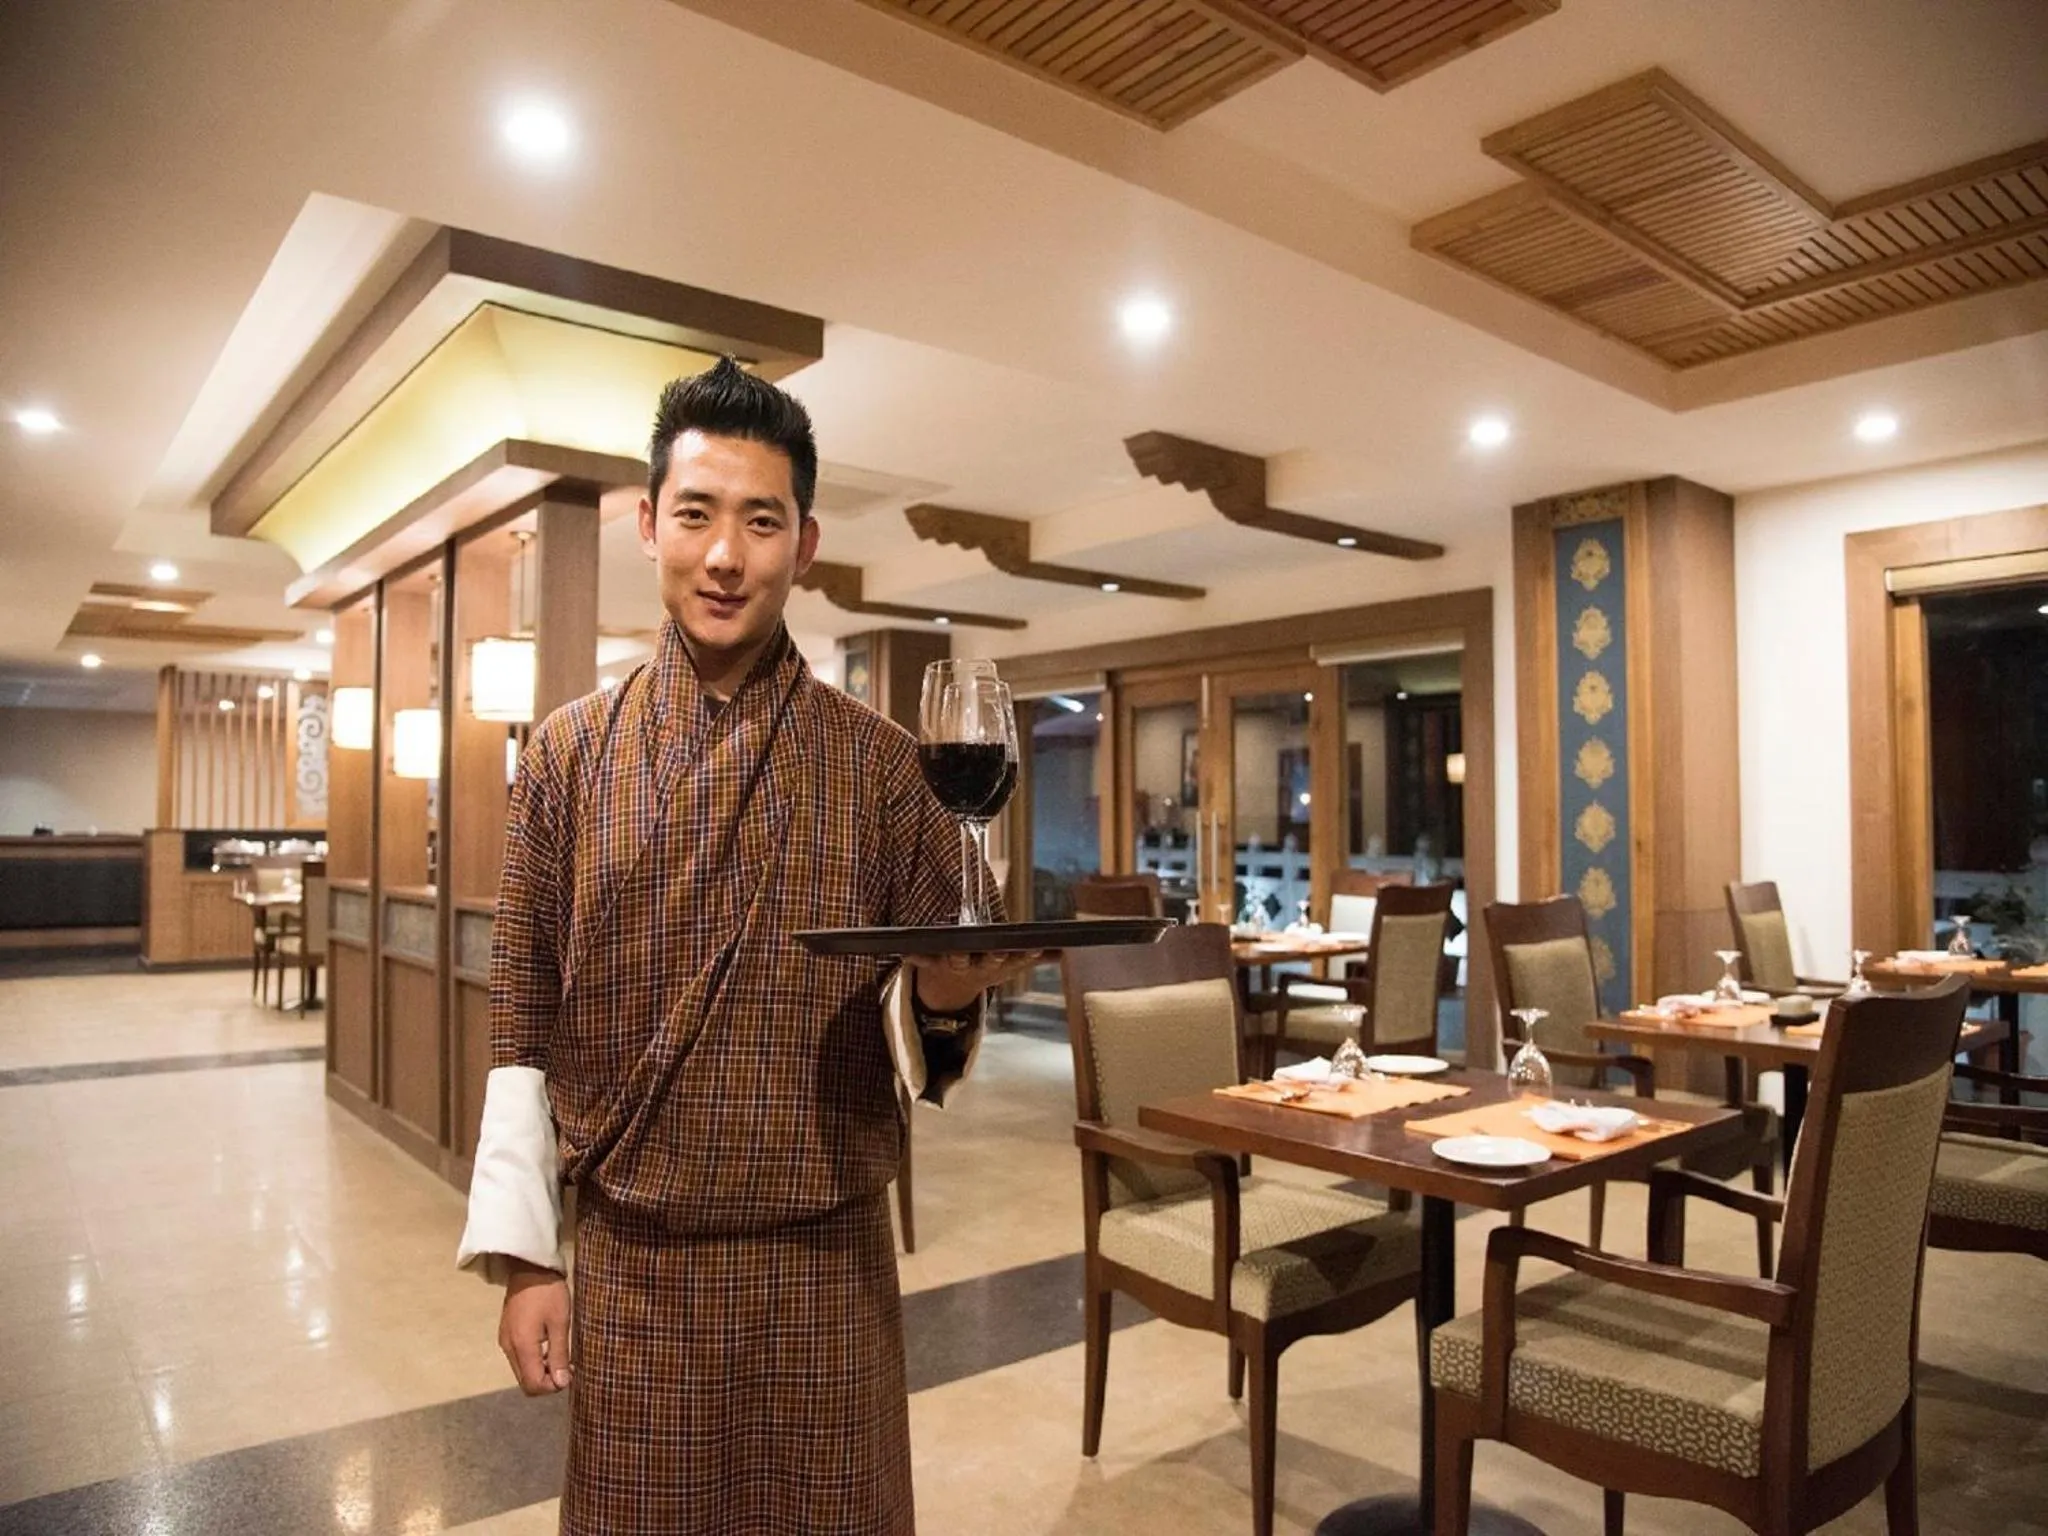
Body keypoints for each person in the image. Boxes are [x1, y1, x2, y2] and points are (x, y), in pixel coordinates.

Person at [456, 357, 1029, 1534]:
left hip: (822, 1258)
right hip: (636, 1260)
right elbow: (521, 1013)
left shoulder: (879, 762)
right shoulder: (566, 758)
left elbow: (945, 986)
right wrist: (527, 1259)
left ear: (804, 541)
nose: (726, 555)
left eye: (760, 522)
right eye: (697, 514)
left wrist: (944, 992)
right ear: (645, 523)